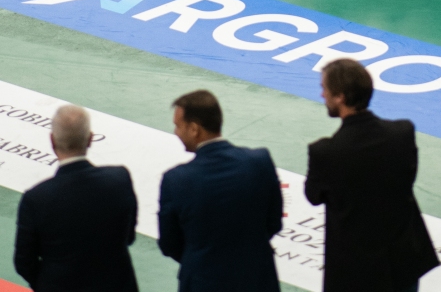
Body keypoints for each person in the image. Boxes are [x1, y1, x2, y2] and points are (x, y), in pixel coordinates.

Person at [305, 58, 440, 292]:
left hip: (356, 272)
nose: (321, 95)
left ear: (340, 97)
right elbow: (408, 176)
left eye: (324, 88)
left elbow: (314, 196)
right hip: (401, 263)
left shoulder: (325, 153)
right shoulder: (402, 133)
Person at [158, 89, 283, 292]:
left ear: (194, 129)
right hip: (257, 280)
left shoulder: (176, 180)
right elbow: (273, 222)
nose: (175, 132)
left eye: (178, 126)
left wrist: (200, 259)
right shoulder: (260, 162)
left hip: (203, 283)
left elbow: (169, 244)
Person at [14, 103, 138, 292]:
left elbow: (24, 261)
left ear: (52, 141)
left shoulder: (36, 199)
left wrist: (49, 284)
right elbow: (127, 237)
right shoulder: (120, 179)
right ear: (90, 139)